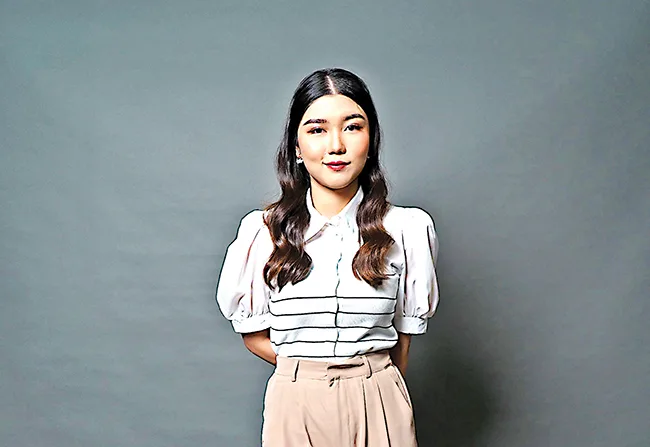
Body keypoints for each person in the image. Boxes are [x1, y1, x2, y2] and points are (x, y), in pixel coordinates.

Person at [216, 67, 439, 446]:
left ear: (371, 140)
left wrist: (371, 382)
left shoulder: (407, 228)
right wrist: (310, 374)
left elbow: (404, 338)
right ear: (296, 146)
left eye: (352, 127)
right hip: (295, 400)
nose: (336, 145)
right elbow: (252, 336)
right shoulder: (262, 232)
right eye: (317, 129)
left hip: (379, 396)